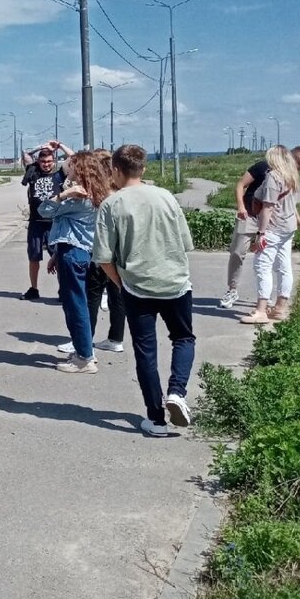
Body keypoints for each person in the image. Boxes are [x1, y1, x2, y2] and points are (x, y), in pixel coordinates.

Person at [93, 145, 196, 438]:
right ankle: (176, 392)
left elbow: (103, 257)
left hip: (136, 287)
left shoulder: (112, 205)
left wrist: (120, 282)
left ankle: (156, 418)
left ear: (114, 169)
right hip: (175, 283)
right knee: (183, 338)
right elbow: (186, 243)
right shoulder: (166, 197)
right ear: (144, 169)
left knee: (146, 352)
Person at [38, 151, 114, 374]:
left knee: (75, 305)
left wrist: (63, 194)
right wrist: (54, 255)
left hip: (73, 254)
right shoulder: (98, 192)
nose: (66, 168)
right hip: (81, 251)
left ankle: (84, 358)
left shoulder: (78, 196)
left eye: (70, 165)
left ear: (79, 169)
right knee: (78, 303)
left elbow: (44, 210)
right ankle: (84, 349)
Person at [218, 146, 300, 308]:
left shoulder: (290, 175)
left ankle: (264, 297)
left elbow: (289, 206)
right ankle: (232, 290)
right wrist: (241, 207)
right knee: (237, 252)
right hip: (249, 215)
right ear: (290, 157)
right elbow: (240, 185)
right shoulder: (264, 167)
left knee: (269, 261)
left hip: (270, 221)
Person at [55, 148, 125, 356]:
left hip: (97, 250)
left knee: (89, 298)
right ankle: (115, 338)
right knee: (116, 295)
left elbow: (48, 210)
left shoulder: (94, 194)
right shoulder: (115, 191)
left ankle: (84, 343)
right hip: (117, 249)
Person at [240, 146, 300, 324]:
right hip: (288, 227)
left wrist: (261, 233)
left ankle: (260, 311)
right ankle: (280, 308)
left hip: (274, 228)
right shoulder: (291, 176)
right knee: (284, 266)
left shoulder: (273, 177)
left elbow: (267, 207)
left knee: (262, 266)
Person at [20, 140, 75, 300]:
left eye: (50, 161)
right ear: (39, 161)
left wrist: (60, 146)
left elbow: (74, 158)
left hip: (54, 223)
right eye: (43, 161)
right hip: (36, 222)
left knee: (58, 257)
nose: (46, 164)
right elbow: (26, 154)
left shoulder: (59, 174)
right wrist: (42, 147)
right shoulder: (33, 172)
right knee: (33, 257)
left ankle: (62, 290)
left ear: (54, 161)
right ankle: (34, 288)